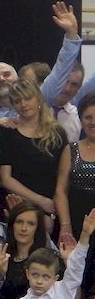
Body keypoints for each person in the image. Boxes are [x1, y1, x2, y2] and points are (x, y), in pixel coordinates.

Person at [0, 0, 82, 121]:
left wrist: (71, 34)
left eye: (6, 74)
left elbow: (60, 71)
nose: (2, 79)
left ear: (18, 80)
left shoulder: (39, 99)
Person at [0, 79, 66, 231]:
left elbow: (62, 176)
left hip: (51, 207)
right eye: (17, 101)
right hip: (17, 204)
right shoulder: (7, 131)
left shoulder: (57, 133)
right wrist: (40, 201)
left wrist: (52, 208)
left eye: (27, 98)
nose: (23, 104)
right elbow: (5, 179)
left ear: (38, 98)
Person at [0, 199, 53, 299]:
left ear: (37, 228)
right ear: (12, 225)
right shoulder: (5, 259)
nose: (24, 228)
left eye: (31, 224)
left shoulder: (49, 259)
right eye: (19, 222)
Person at [54, 91, 95, 244]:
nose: (93, 122)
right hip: (75, 222)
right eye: (88, 117)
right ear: (80, 119)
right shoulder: (71, 150)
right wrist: (65, 226)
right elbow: (60, 191)